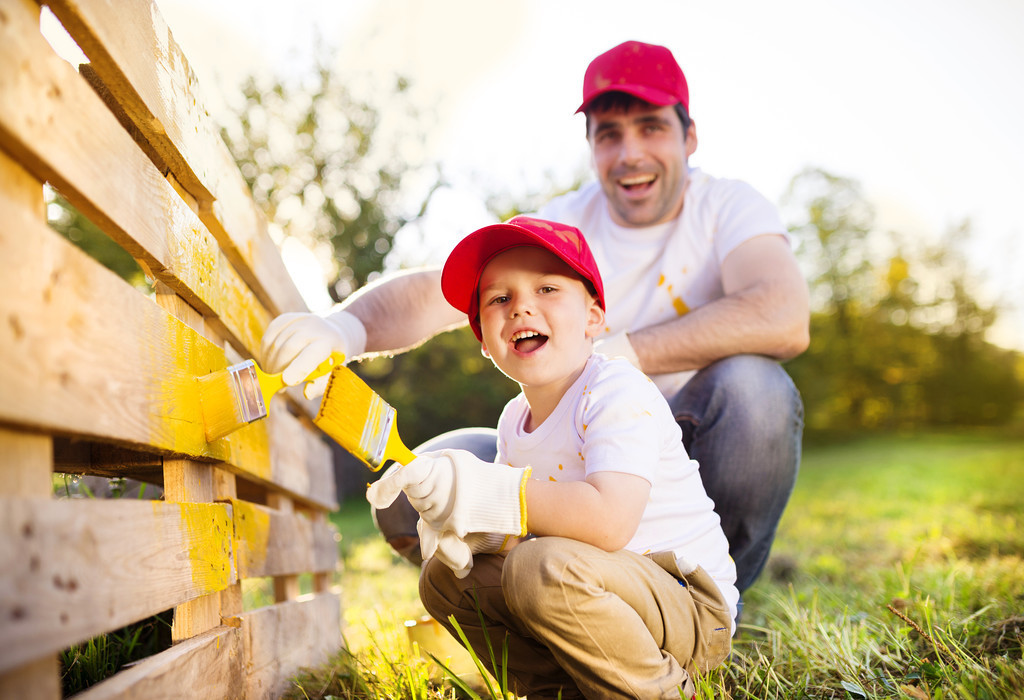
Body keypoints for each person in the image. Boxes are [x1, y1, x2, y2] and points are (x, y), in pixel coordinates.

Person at [260, 40, 809, 595]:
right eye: (609, 134)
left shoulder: (728, 208)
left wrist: (618, 356)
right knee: (414, 489)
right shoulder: (565, 225)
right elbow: (433, 289)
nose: (630, 153)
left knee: (756, 390)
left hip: (689, 446)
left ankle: (716, 598)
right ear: (591, 146)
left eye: (651, 127)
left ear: (689, 137)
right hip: (575, 455)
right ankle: (537, 620)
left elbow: (781, 313)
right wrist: (343, 328)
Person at [366, 215, 737, 697]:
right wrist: (464, 522)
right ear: (483, 340)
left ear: (593, 317)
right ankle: (558, 690)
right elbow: (514, 534)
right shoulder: (512, 420)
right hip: (592, 593)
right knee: (445, 578)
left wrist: (489, 491)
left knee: (540, 567)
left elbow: (608, 523)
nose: (521, 307)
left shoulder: (613, 389)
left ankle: (661, 690)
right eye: (499, 299)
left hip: (688, 609)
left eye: (546, 289)